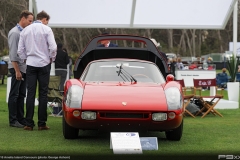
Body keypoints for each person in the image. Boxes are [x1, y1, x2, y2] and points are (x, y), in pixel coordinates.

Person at [17, 10, 57, 131]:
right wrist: (51, 58)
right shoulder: (47, 29)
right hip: (44, 63)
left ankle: (28, 123)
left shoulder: (25, 30)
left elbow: (20, 50)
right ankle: (41, 123)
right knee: (43, 94)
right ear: (44, 20)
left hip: (31, 64)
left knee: (30, 93)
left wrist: (25, 59)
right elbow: (53, 47)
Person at [7, 10, 34, 128]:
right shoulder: (15, 33)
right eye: (30, 21)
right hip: (16, 68)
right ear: (22, 18)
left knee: (22, 94)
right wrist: (17, 71)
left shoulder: (23, 33)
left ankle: (20, 118)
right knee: (14, 94)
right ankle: (13, 120)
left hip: (23, 68)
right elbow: (13, 54)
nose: (31, 23)